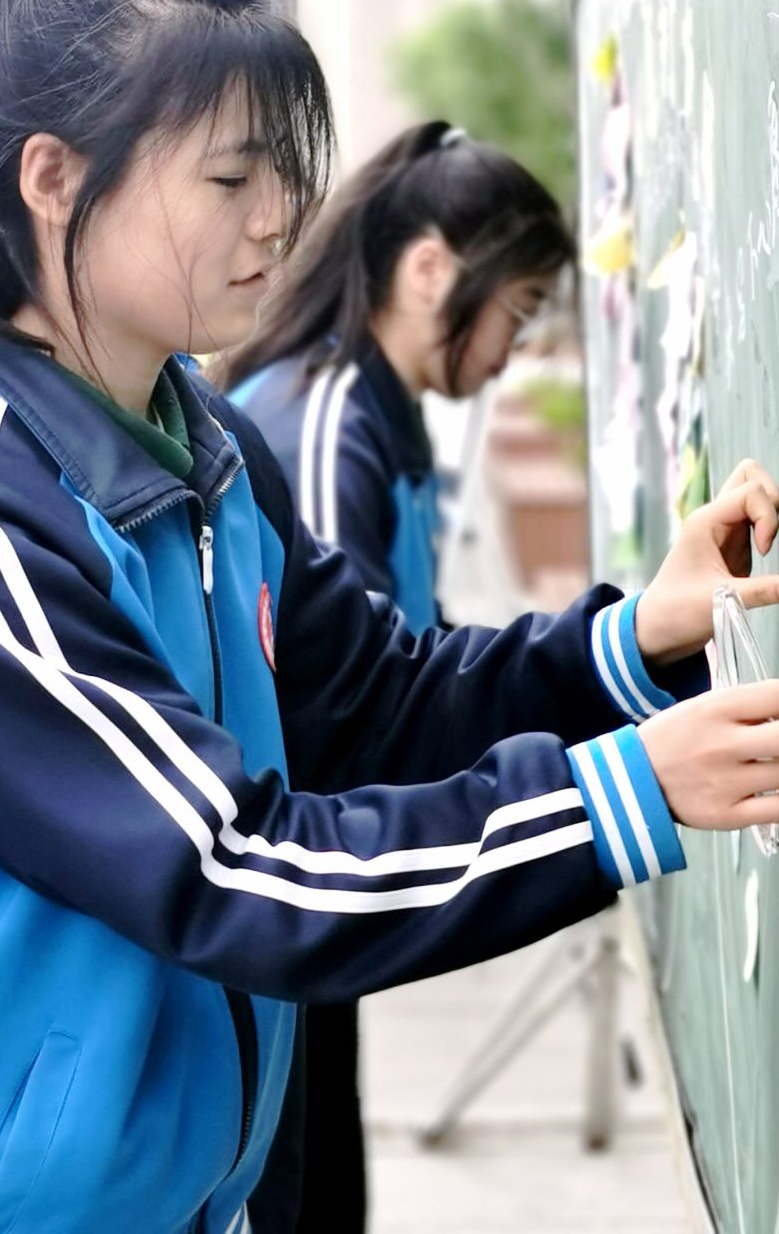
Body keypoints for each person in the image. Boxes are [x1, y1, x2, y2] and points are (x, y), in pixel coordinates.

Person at [0, 0, 779, 1234]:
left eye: (284, 173)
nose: (280, 220)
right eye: (230, 177)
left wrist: (635, 637)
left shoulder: (198, 446)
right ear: (52, 178)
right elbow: (229, 868)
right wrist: (621, 796)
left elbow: (375, 701)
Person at [221, 120, 572, 1231]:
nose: (511, 349)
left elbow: (413, 650)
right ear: (430, 270)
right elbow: (352, 712)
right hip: (303, 898)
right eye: (515, 310)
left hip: (323, 904)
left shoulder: (377, 413)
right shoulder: (324, 425)